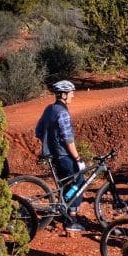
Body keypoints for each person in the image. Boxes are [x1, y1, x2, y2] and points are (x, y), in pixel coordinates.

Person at [34, 80, 86, 232]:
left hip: (52, 154)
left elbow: (38, 131)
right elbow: (68, 139)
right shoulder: (62, 113)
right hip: (63, 154)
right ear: (63, 95)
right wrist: (77, 158)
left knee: (66, 184)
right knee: (79, 181)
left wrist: (48, 144)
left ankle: (64, 210)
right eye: (71, 93)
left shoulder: (49, 109)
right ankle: (71, 218)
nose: (73, 96)